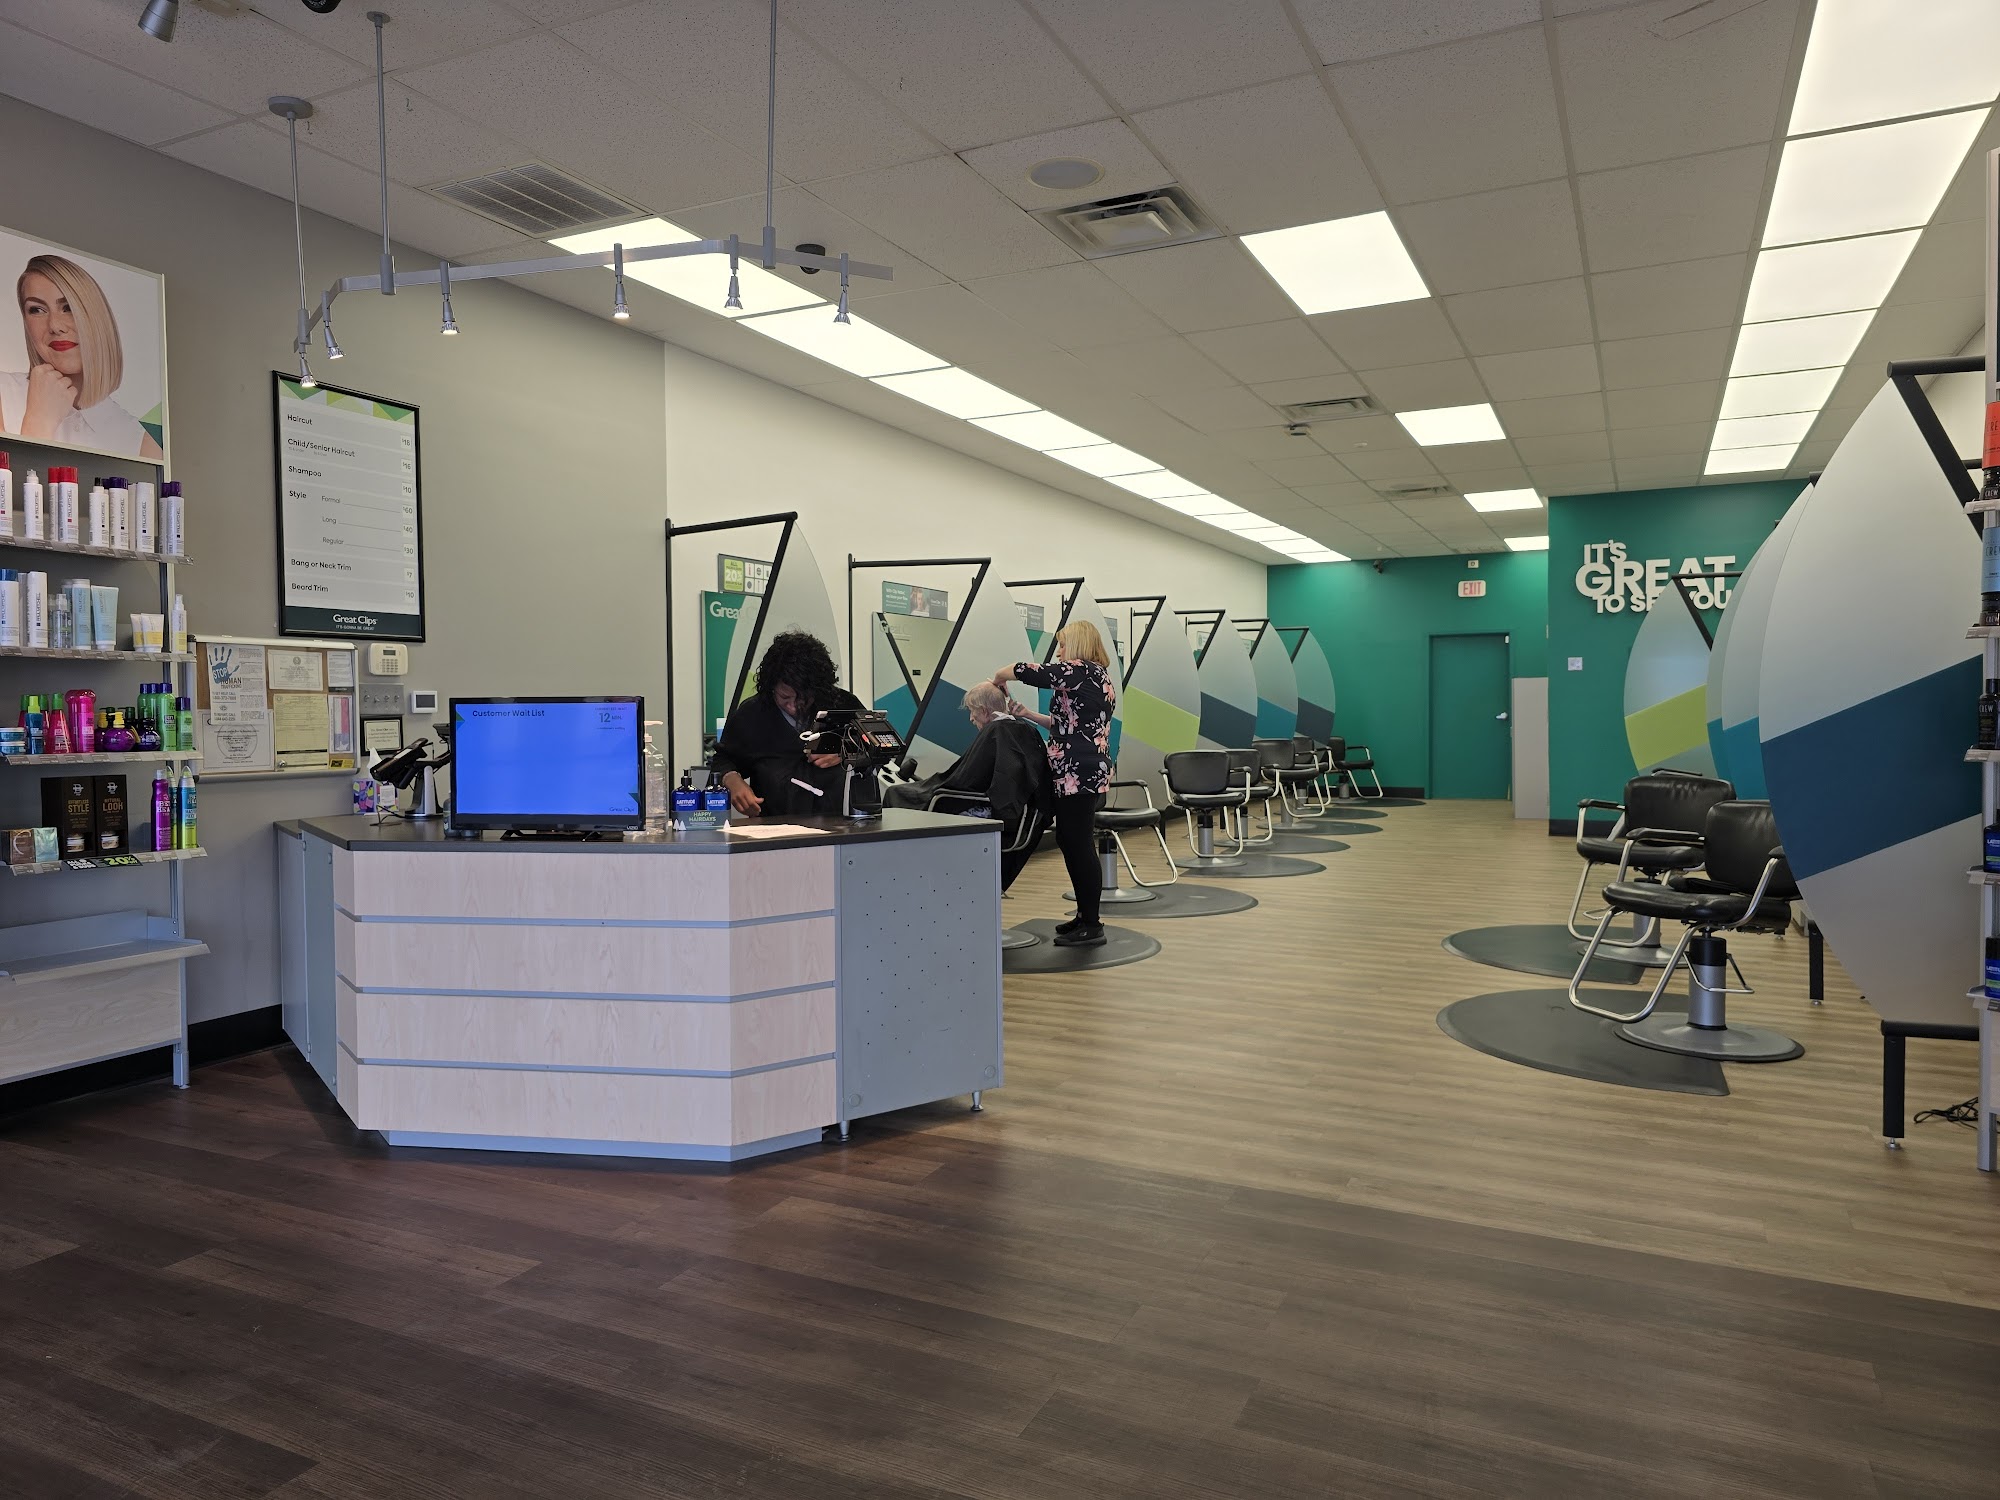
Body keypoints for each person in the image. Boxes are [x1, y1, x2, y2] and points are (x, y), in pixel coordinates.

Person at [994, 620, 1116, 948]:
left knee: (1078, 843)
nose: (1059, 652)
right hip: (1084, 769)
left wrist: (1000, 676)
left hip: (1077, 772)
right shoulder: (1098, 676)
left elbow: (1028, 671)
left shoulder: (1079, 670)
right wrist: (1028, 714)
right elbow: (1069, 725)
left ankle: (1092, 924)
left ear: (1077, 644)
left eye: (1062, 645)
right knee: (1071, 839)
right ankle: (1085, 916)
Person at [885, 681, 1052, 888]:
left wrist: (934, 786)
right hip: (1020, 816)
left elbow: (962, 780)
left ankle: (895, 874)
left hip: (971, 803)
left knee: (895, 793)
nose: (971, 718)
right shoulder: (1024, 729)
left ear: (984, 711)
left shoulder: (996, 731)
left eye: (972, 711)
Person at [0, 255, 164, 460]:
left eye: (67, 307)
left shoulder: (141, 443)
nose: (55, 326)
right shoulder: (3, 393)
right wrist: (39, 422)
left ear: (95, 317)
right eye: (37, 310)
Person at [711, 630, 864, 819]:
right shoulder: (752, 714)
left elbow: (882, 746)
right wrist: (732, 780)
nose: (793, 706)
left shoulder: (843, 705)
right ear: (771, 686)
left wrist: (848, 750)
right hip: (775, 826)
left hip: (841, 823)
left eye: (803, 699)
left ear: (818, 690)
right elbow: (723, 760)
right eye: (784, 697)